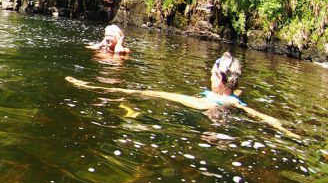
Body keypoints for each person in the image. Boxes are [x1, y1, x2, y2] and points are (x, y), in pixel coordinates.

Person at [66, 52, 297, 138]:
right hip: (227, 118)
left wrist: (89, 87)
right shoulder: (236, 100)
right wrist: (287, 131)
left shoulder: (202, 102)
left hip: (211, 120)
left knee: (141, 97)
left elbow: (151, 93)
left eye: (211, 73)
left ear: (218, 78)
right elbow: (265, 118)